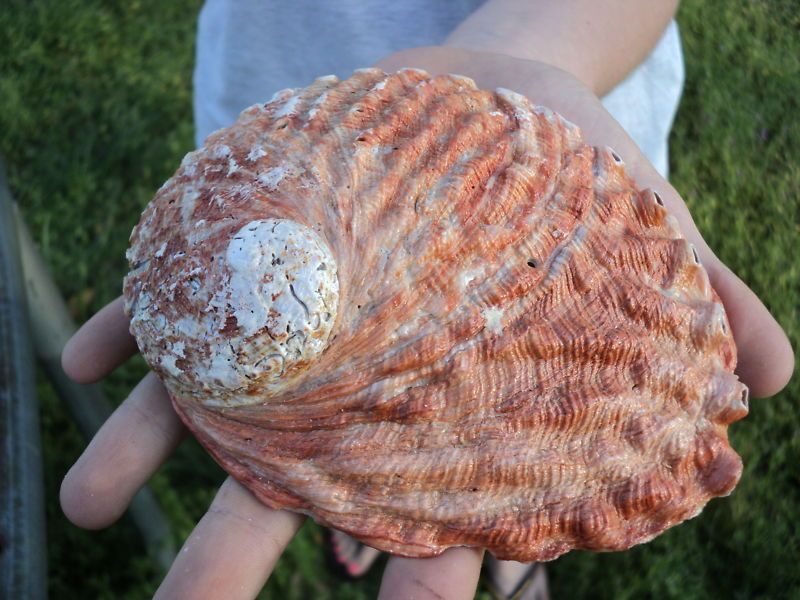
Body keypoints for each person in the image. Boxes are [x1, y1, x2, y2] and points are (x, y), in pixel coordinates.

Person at [59, 1, 794, 599]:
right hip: (296, 161)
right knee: (369, 466)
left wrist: (526, 45)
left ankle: (457, 523)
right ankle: (369, 492)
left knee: (462, 481)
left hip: (516, 80)